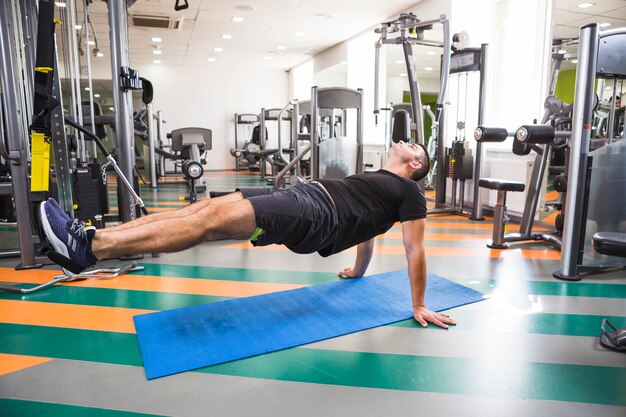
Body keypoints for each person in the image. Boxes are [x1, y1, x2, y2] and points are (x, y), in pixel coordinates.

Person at [39, 141, 455, 329]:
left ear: (416, 164)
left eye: (411, 144)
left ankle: (88, 249)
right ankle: (89, 236)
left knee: (209, 223)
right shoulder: (381, 181)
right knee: (201, 208)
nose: (403, 140)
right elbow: (371, 231)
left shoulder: (410, 192)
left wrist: (418, 304)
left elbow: (413, 248)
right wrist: (359, 272)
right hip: (307, 197)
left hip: (317, 214)